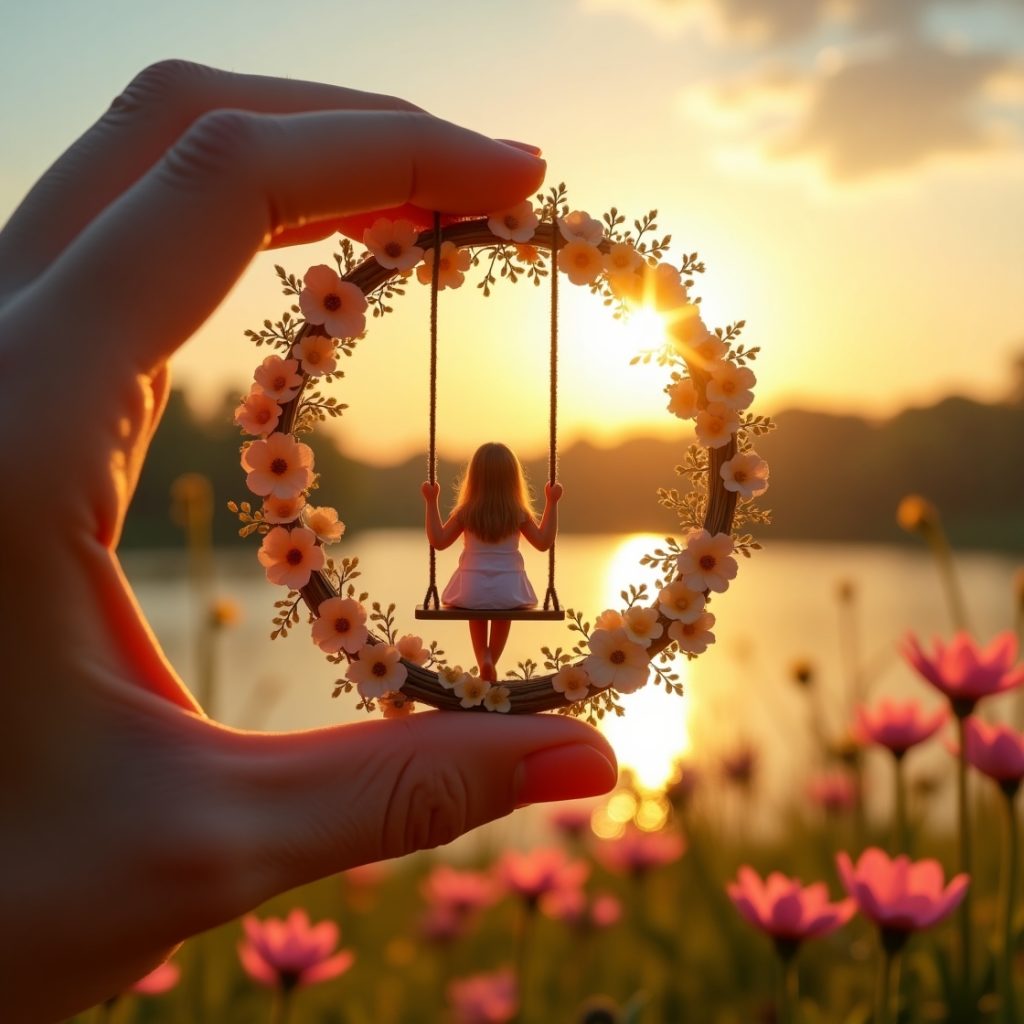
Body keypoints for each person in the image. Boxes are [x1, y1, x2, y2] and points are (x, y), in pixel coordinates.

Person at [0, 60, 617, 1022]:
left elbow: (450, 532)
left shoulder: (467, 516)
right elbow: (533, 536)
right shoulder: (517, 516)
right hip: (499, 587)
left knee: (480, 611)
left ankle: (485, 676)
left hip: (466, 589)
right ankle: (488, 679)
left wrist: (425, 513)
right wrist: (554, 511)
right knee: (496, 607)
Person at [422, 443, 562, 679]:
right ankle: (491, 658)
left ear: (474, 477)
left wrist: (431, 501)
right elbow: (543, 542)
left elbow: (438, 540)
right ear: (513, 479)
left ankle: (483, 659)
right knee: (503, 611)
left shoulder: (466, 512)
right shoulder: (518, 512)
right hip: (509, 590)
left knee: (475, 609)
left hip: (471, 589)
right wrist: (552, 502)